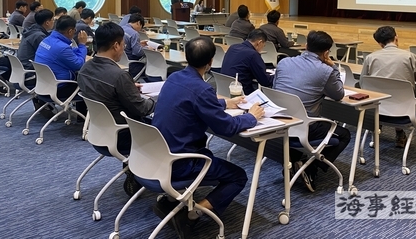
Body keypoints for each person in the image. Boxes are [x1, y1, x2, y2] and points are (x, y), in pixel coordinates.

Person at [152, 37, 264, 238]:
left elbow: (191, 102)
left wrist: (224, 103)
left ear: (186, 56)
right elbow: (227, 127)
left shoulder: (174, 77)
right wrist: (252, 117)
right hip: (180, 162)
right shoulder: (203, 89)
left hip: (157, 154)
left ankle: (173, 203)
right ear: (211, 61)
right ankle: (191, 215)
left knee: (210, 157)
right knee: (238, 176)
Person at [273, 30, 351, 192]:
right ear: (326, 52)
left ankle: (294, 161)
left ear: (306, 45)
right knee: (344, 135)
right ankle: (311, 169)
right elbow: (339, 95)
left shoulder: (284, 62)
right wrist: (333, 66)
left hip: (280, 122)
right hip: (305, 127)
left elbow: (276, 89)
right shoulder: (325, 71)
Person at [77, 22, 155, 154]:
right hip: (124, 135)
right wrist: (159, 98)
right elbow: (143, 109)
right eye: (123, 45)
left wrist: (128, 87)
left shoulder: (85, 68)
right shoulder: (119, 76)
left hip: (99, 132)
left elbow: (105, 90)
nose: (123, 49)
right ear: (116, 45)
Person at [361, 25, 416, 148]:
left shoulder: (370, 58)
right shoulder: (411, 57)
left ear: (380, 43)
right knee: (400, 97)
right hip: (404, 113)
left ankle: (380, 127)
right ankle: (400, 132)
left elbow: (363, 83)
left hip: (376, 110)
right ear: (396, 38)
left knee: (384, 95)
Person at [34, 15, 88, 112]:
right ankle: (82, 117)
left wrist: (78, 50)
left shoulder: (47, 40)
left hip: (43, 85)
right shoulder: (62, 48)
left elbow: (66, 53)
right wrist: (82, 45)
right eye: (74, 30)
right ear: (70, 31)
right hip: (59, 88)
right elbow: (79, 65)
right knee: (88, 84)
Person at [220, 29, 274, 94]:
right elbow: (265, 81)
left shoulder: (233, 47)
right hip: (242, 92)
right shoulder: (253, 54)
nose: (263, 48)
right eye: (264, 45)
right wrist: (278, 76)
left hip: (224, 89)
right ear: (259, 42)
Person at [122, 13, 148, 78]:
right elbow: (137, 53)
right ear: (138, 23)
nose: (140, 30)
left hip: (120, 62)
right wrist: (148, 50)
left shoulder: (121, 28)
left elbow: (127, 44)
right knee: (149, 64)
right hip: (131, 64)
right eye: (141, 27)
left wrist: (139, 44)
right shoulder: (134, 34)